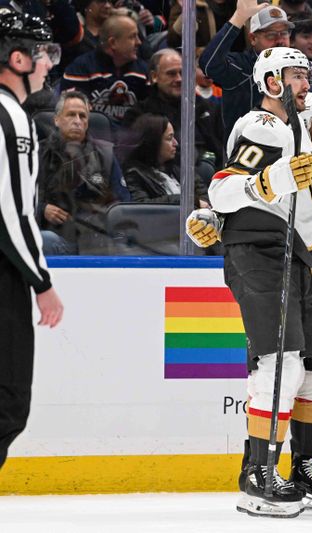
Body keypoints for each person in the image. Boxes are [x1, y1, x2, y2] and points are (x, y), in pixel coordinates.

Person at [187, 91, 312, 511]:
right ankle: (261, 467)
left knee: (310, 376)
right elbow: (245, 192)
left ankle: (299, 464)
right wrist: (218, 219)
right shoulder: (276, 138)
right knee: (279, 365)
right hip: (287, 263)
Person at [208, 46, 312, 519]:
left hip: (286, 251)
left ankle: (260, 468)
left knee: (285, 367)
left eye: (306, 74)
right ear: (272, 82)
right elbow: (222, 186)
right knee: (277, 365)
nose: (305, 82)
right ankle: (258, 475)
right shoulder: (264, 126)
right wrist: (265, 184)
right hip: (257, 249)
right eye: (296, 75)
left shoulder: (299, 132)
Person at [0, 8, 64, 470]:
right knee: (7, 404)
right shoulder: (12, 118)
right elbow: (11, 211)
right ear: (17, 58)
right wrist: (41, 281)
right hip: (4, 275)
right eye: (42, 53)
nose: (49, 64)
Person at [38, 90, 130, 255]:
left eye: (83, 116)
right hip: (57, 235)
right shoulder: (37, 153)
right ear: (57, 120)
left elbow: (123, 203)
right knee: (45, 240)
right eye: (71, 115)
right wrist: (41, 209)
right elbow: (16, 199)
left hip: (97, 239)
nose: (77, 121)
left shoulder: (106, 154)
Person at [199, 0, 292, 139]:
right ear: (253, 38)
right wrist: (238, 18)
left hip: (287, 152)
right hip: (243, 154)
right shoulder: (241, 66)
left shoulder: (298, 66)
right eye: (271, 35)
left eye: (284, 33)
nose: (280, 41)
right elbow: (208, 64)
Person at [122, 48, 225, 171]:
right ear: (154, 76)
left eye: (182, 73)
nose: (179, 79)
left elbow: (224, 151)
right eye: (171, 74)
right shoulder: (138, 116)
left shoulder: (209, 109)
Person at [61, 14, 149, 125]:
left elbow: (150, 113)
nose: (139, 42)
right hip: (92, 137)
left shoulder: (143, 70)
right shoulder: (81, 68)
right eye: (132, 37)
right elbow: (73, 114)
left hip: (131, 138)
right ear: (113, 43)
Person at [122, 113, 209, 206]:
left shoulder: (179, 165)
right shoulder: (133, 174)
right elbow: (143, 206)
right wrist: (187, 200)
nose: (175, 143)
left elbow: (204, 196)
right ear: (153, 142)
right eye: (169, 138)